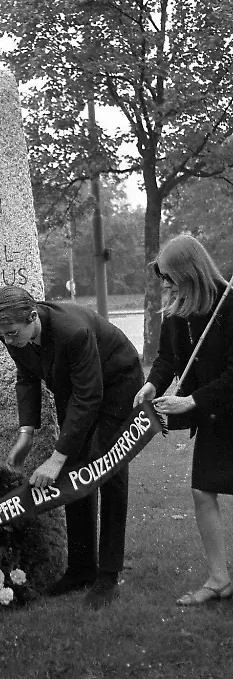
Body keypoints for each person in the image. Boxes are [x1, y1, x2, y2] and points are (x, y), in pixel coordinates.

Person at [0, 286, 143, 609]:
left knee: (107, 468)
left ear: (33, 318)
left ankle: (108, 575)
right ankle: (82, 568)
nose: (8, 341)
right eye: (2, 335)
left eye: (12, 334)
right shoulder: (15, 333)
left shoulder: (74, 332)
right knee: (74, 472)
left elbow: (91, 398)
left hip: (117, 384)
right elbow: (27, 377)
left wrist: (55, 460)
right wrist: (26, 433)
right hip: (73, 390)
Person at [134, 234, 233, 606]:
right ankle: (220, 579)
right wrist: (150, 385)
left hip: (224, 405)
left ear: (191, 272)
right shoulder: (176, 313)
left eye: (171, 278)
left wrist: (190, 400)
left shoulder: (230, 303)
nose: (166, 286)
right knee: (202, 491)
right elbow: (166, 360)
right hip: (212, 415)